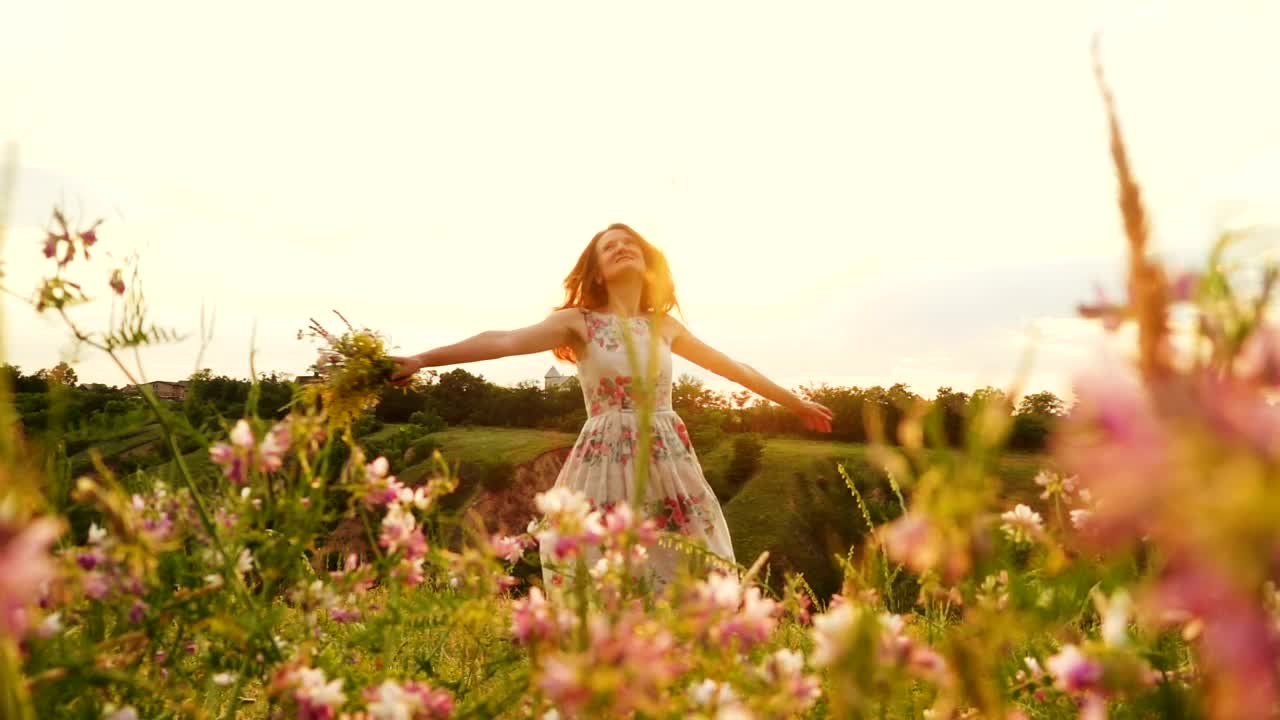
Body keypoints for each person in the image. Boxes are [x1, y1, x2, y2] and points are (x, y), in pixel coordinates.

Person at [388, 223, 833, 588]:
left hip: (667, 457)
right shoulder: (577, 322)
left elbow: (733, 368)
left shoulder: (663, 326)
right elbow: (503, 340)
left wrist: (795, 402)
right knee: (604, 567)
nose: (621, 248)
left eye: (629, 243)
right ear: (597, 271)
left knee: (689, 560)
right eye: (609, 247)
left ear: (647, 260)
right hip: (605, 458)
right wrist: (424, 360)